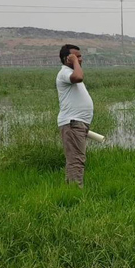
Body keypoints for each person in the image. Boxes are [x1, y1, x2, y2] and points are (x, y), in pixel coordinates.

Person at [56, 44, 94, 188]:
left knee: (76, 159)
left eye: (80, 56)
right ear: (67, 59)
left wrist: (75, 62)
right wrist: (75, 63)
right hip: (73, 123)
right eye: (76, 57)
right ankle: (75, 193)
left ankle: (70, 190)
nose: (80, 59)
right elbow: (78, 77)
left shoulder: (70, 71)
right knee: (76, 160)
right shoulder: (65, 72)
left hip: (78, 124)